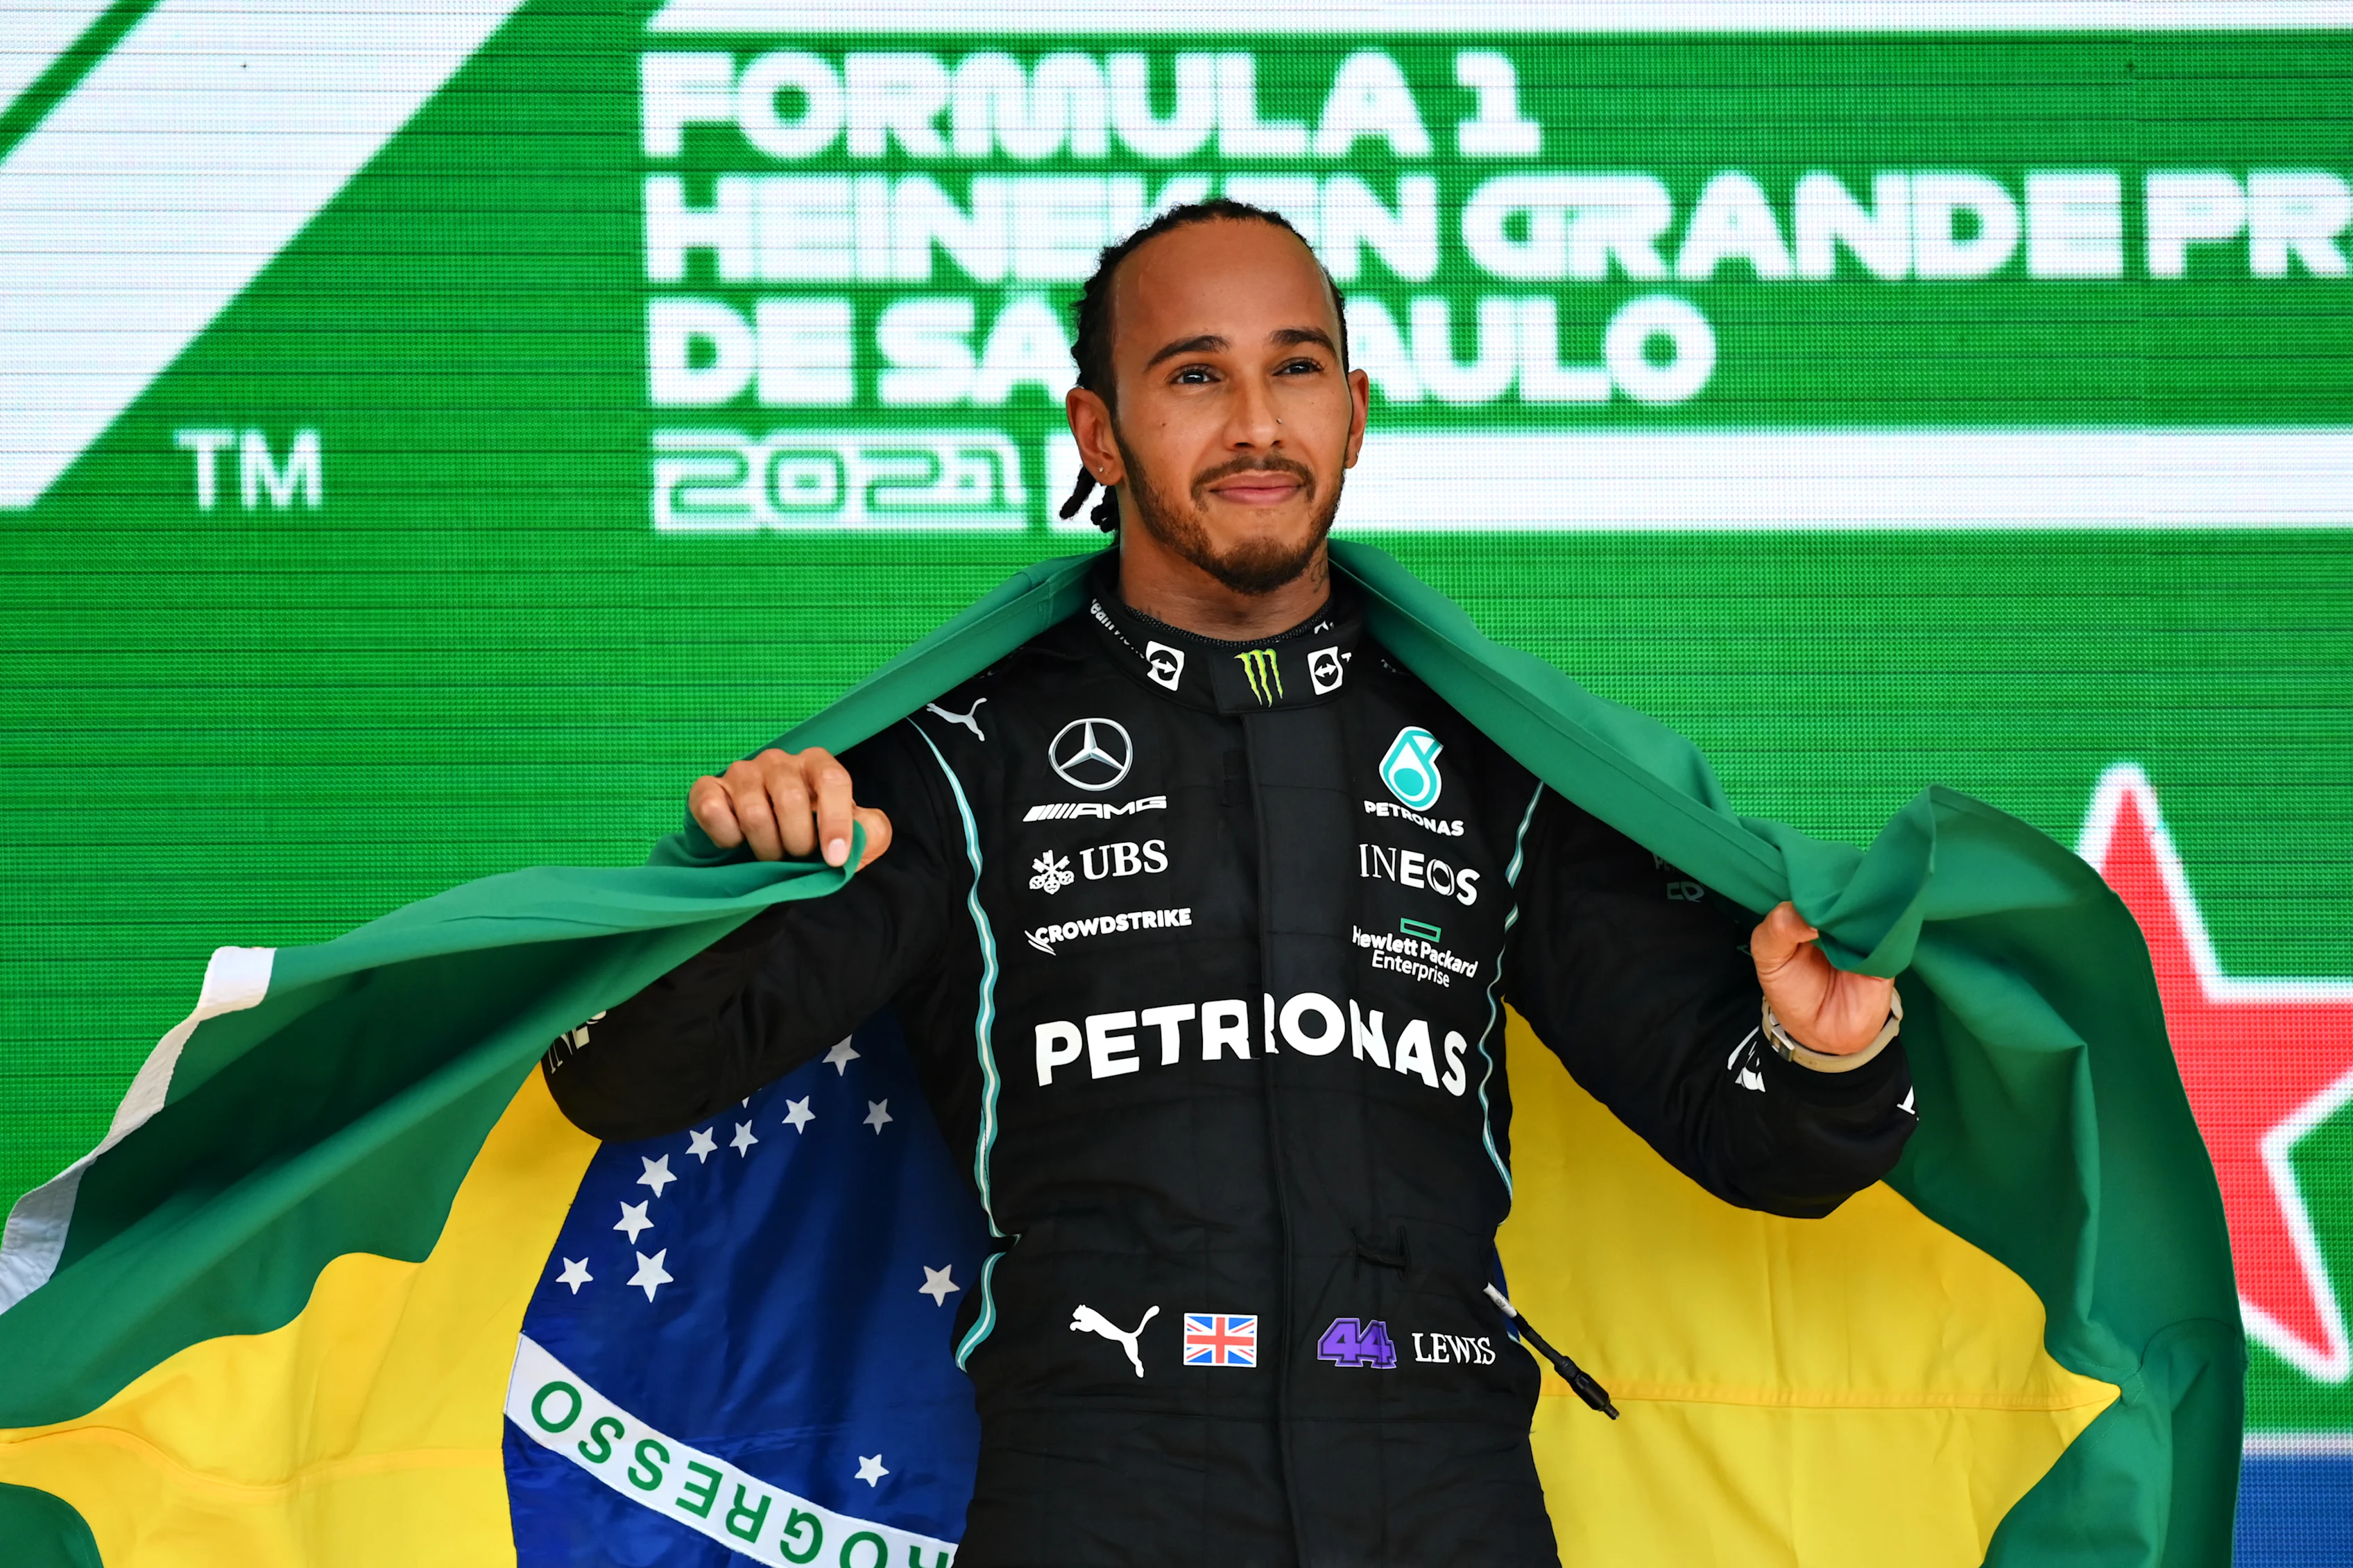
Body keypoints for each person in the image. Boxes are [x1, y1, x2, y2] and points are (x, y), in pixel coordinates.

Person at [543, 200, 1915, 1566]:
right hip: (1095, 1483)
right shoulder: (958, 755)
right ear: (1098, 430)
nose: (1255, 420)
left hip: (1444, 1479)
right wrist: (736, 875)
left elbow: (1761, 1145)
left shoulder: (1497, 762)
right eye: (1195, 372)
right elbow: (623, 1078)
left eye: (1296, 366)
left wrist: (1822, 1042)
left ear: (1356, 407)